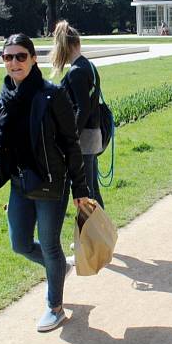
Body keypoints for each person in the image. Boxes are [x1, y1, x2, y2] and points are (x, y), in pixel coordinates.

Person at [0, 33, 90, 333]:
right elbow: (1, 147)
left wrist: (80, 190)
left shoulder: (52, 94)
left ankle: (55, 307)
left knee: (51, 245)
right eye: (8, 57)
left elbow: (71, 144)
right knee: (19, 244)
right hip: (19, 184)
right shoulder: (4, 96)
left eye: (20, 56)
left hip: (51, 184)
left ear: (33, 59)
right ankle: (59, 269)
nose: (14, 62)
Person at [51, 20, 104, 210]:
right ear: (77, 43)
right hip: (93, 132)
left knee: (87, 192)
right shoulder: (88, 66)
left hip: (84, 137)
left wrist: (70, 137)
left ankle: (95, 238)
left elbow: (82, 108)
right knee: (92, 190)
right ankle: (98, 236)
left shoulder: (76, 72)